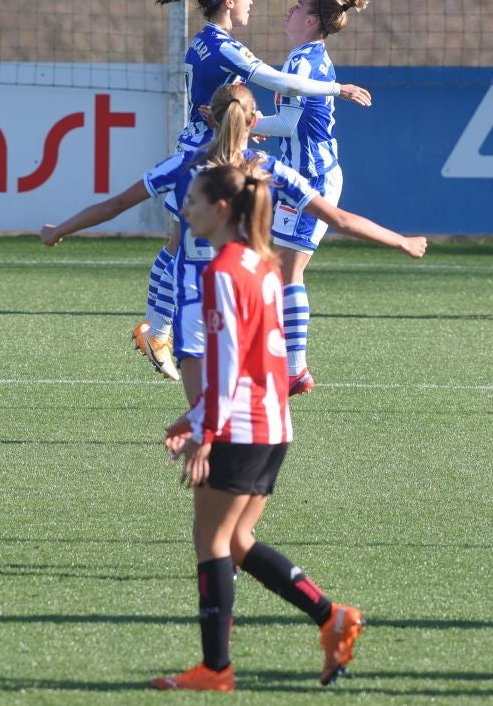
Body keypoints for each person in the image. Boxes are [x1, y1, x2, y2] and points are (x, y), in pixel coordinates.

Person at [40, 84, 427, 406]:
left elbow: (114, 205)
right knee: (244, 420)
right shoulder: (268, 169)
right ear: (255, 122)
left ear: (211, 117)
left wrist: (61, 229)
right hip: (247, 305)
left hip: (194, 306)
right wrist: (401, 241)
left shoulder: (183, 165)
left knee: (206, 420)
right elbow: (340, 219)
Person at [150, 163, 364, 692]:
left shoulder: (221, 270)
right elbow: (250, 357)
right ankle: (330, 617)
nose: (186, 209)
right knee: (238, 537)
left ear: (222, 209)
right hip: (273, 424)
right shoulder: (262, 263)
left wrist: (205, 432)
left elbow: (223, 363)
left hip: (240, 424)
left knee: (213, 539)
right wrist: (193, 417)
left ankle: (216, 669)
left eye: (195, 201)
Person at [133, 0, 373, 373]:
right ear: (229, 2)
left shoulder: (204, 41)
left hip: (206, 145)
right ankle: (165, 333)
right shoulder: (226, 45)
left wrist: (245, 123)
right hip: (208, 154)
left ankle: (162, 331)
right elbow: (283, 83)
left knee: (190, 244)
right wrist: (338, 88)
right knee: (197, 250)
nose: (252, 2)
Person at [252, 0, 369, 395]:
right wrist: (261, 126)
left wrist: (246, 124)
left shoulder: (303, 62)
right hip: (297, 173)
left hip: (313, 177)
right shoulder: (305, 55)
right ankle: (281, 360)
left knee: (288, 270)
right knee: (274, 267)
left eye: (299, 5)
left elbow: (288, 121)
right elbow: (291, 125)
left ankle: (295, 370)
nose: (291, 8)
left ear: (314, 21)